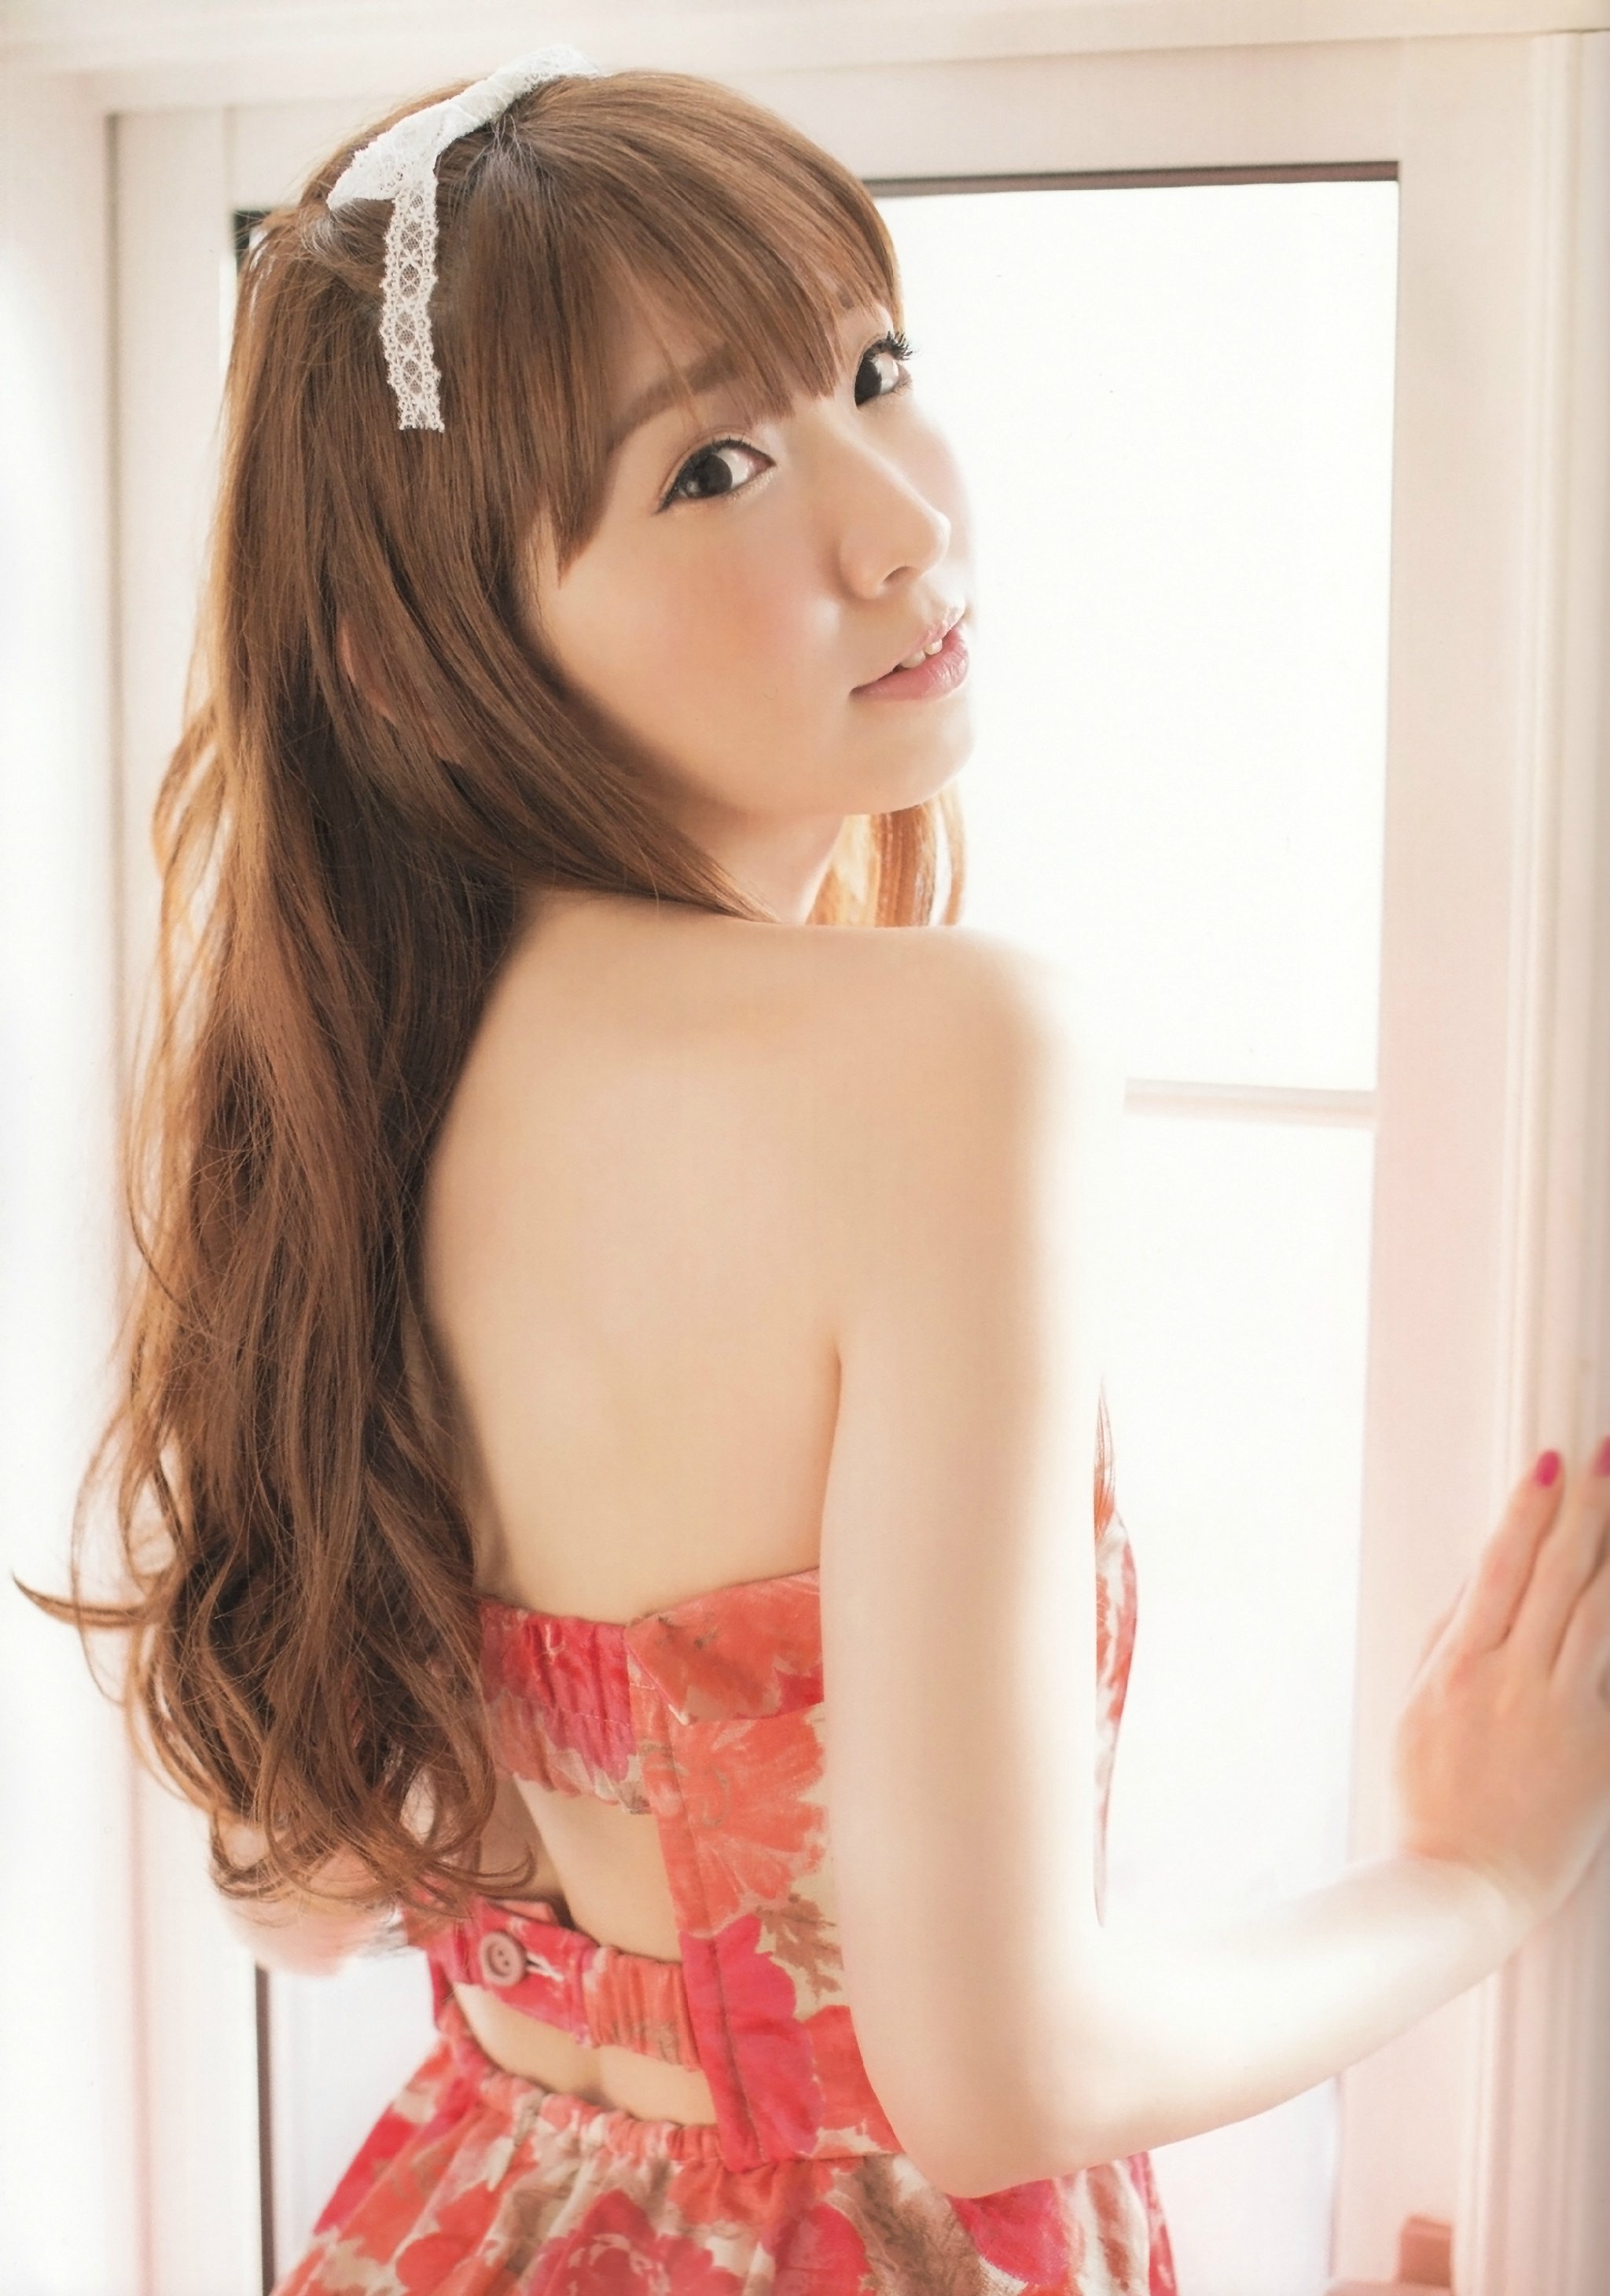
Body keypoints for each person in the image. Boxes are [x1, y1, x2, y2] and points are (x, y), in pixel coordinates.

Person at [31, 46, 1610, 2296]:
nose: (898, 523)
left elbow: (304, 1891)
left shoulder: (348, 1098)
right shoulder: (941, 1054)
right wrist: (1475, 1875)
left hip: (456, 2218)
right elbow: (996, 2077)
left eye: (876, 370)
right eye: (714, 467)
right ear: (412, 659)